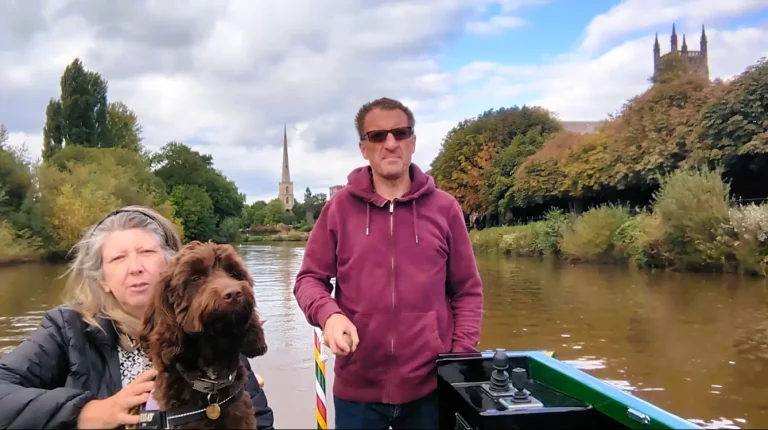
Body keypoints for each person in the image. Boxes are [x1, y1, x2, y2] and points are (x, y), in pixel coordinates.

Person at [294, 97, 484, 429]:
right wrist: (329, 315)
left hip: (430, 388)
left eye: (400, 132)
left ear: (412, 142)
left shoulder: (445, 208)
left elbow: (467, 292)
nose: (390, 143)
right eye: (378, 136)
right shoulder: (339, 209)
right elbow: (309, 280)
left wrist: (457, 358)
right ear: (363, 148)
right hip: (357, 392)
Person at [0, 206, 275, 429]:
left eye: (146, 252)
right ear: (103, 279)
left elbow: (260, 421)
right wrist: (86, 412)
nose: (135, 268)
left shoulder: (210, 325)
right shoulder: (68, 330)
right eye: (118, 258)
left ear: (170, 265)